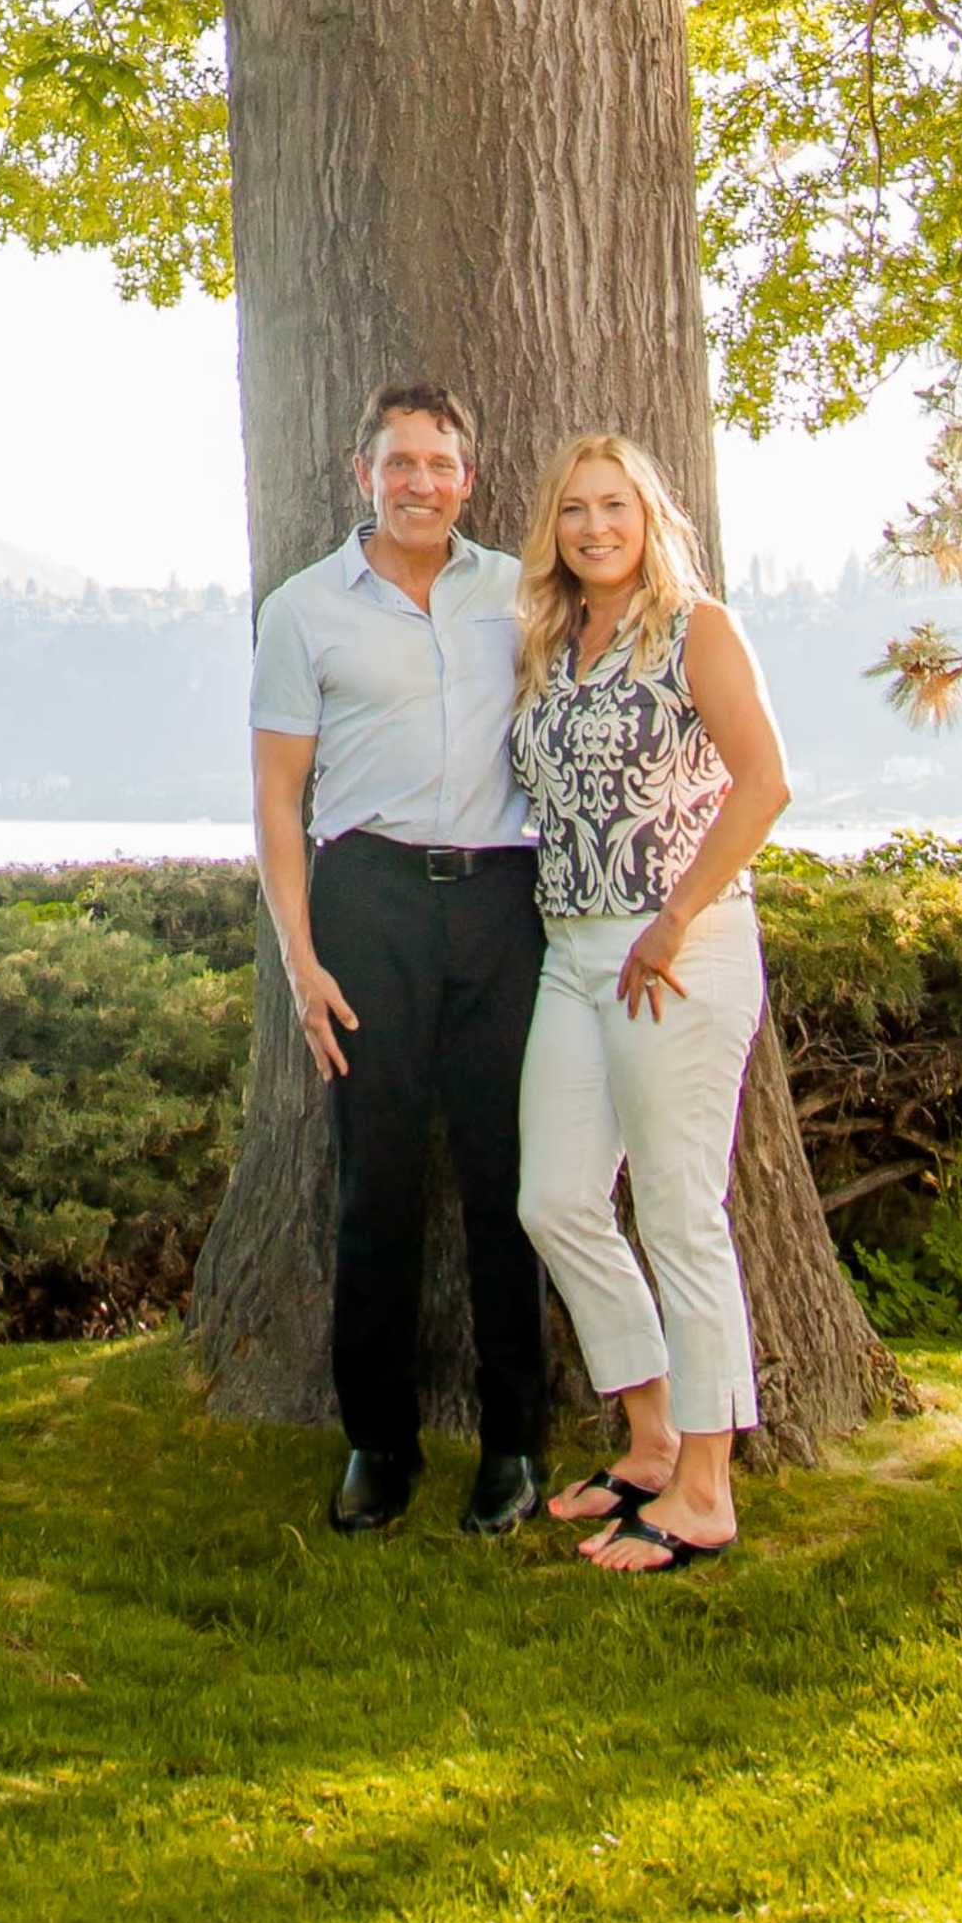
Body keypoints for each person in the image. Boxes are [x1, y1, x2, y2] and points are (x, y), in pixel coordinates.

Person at [247, 380, 550, 1537]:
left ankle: (515, 1445)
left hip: (500, 903)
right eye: (400, 463)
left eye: (441, 463)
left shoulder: (520, 591)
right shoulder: (304, 610)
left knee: (504, 1180)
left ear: (469, 477)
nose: (421, 482)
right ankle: (378, 1442)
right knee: (374, 1184)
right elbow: (278, 799)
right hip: (366, 898)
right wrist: (301, 955)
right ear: (360, 472)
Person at [504, 431, 791, 1579]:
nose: (594, 527)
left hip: (676, 948)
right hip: (570, 952)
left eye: (613, 505)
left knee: (678, 1208)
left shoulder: (696, 629)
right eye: (574, 509)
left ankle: (708, 1488)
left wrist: (675, 916)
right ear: (554, 527)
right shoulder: (549, 639)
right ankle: (651, 1432)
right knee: (556, 1197)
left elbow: (765, 781)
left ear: (648, 514)